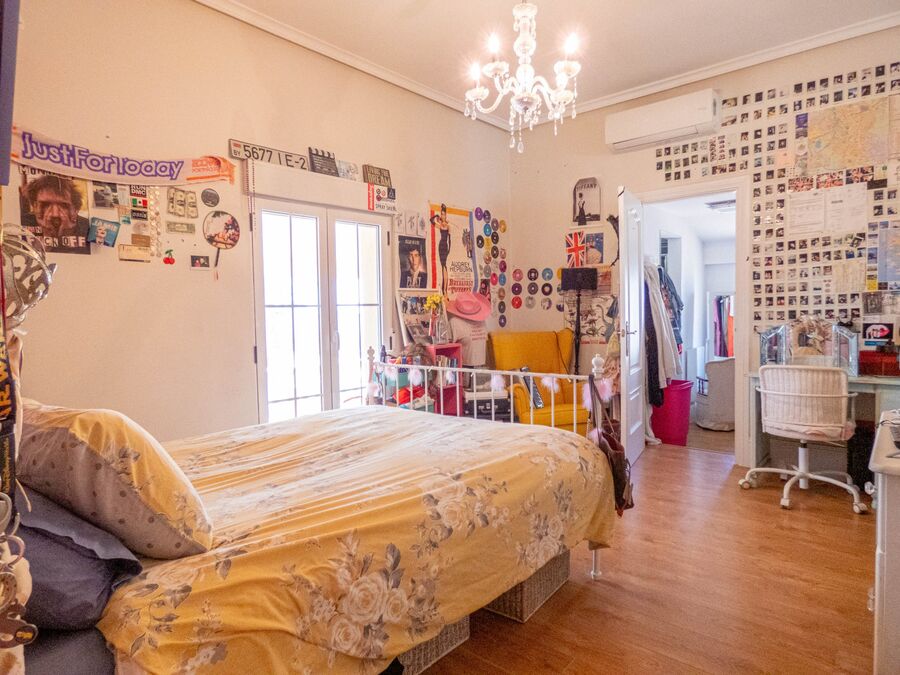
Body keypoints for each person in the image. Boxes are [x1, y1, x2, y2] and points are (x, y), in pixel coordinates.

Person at [24, 174, 89, 253]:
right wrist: (47, 237)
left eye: (63, 206)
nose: (55, 214)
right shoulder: (23, 223)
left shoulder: (87, 228)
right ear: (35, 206)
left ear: (75, 209)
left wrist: (68, 234)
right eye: (45, 205)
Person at [433, 203, 451, 296]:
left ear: (446, 215)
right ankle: (444, 290)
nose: (443, 216)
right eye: (441, 214)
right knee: (443, 266)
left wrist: (449, 250)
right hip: (440, 246)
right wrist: (436, 216)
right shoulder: (440, 225)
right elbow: (431, 221)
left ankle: (445, 289)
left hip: (445, 246)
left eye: (444, 214)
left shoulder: (448, 226)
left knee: (444, 266)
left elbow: (449, 239)